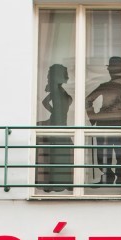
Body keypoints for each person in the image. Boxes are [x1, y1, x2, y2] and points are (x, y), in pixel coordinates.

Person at [85, 56, 121, 185]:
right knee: (113, 153)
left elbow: (87, 101)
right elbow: (87, 101)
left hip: (110, 123)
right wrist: (94, 117)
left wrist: (94, 117)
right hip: (115, 123)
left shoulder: (106, 86)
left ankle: (112, 177)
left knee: (109, 153)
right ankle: (114, 178)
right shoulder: (108, 86)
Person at [39, 63, 73, 191]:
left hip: (61, 121)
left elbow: (46, 102)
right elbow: (45, 102)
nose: (67, 76)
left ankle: (63, 181)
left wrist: (55, 111)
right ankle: (57, 182)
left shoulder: (59, 89)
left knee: (63, 149)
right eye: (65, 74)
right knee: (60, 149)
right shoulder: (56, 90)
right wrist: (55, 111)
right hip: (58, 121)